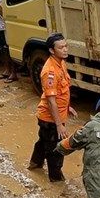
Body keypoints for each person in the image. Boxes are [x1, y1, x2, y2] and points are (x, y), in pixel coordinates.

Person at [29, 33, 74, 182]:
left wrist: (68, 107)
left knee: (44, 140)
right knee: (56, 150)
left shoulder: (61, 62)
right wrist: (59, 125)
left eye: (66, 46)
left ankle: (35, 164)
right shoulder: (50, 72)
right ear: (52, 50)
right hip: (51, 118)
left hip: (55, 115)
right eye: (61, 47)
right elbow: (51, 101)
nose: (65, 49)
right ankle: (57, 181)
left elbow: (63, 90)